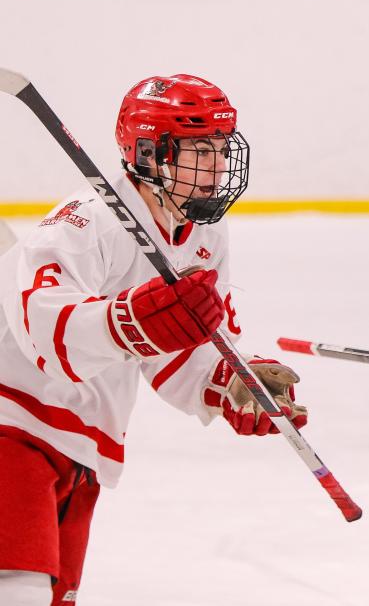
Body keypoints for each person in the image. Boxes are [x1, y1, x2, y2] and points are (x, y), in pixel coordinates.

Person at [0, 75, 309, 606]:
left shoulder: (203, 232)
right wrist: (127, 323)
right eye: (197, 151)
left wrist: (229, 381)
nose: (214, 168)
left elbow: (182, 345)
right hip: (16, 426)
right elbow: (39, 327)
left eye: (219, 149)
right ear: (149, 153)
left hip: (80, 444)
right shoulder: (87, 220)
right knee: (18, 591)